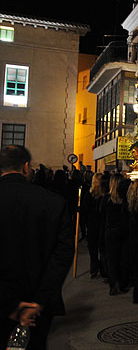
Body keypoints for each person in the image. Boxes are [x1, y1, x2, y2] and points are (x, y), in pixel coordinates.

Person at [0, 145, 74, 349]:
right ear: (26, 167)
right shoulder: (52, 202)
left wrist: (9, 304)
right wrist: (39, 301)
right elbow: (63, 253)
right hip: (39, 303)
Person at [103, 173, 131, 295]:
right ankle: (123, 283)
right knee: (123, 258)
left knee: (112, 259)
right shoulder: (126, 199)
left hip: (111, 230)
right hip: (124, 230)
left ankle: (113, 282)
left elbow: (101, 213)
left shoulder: (107, 199)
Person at [86, 173, 104, 279]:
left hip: (92, 225)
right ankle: (101, 268)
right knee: (100, 248)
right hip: (100, 224)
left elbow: (84, 209)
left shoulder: (89, 195)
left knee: (93, 248)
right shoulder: (104, 196)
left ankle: (94, 268)